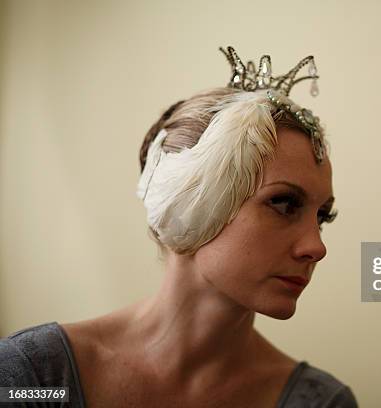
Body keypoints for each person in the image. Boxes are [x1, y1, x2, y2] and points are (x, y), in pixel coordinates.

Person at [0, 47, 358, 407]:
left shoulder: (320, 402)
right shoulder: (35, 375)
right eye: (284, 204)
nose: (317, 247)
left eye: (322, 216)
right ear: (189, 204)